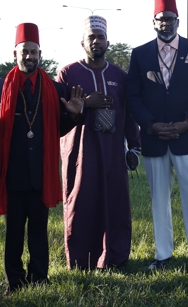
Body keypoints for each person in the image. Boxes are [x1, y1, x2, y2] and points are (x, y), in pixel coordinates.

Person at [0, 23, 84, 295]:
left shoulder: (54, 89)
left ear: (40, 54)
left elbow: (58, 128)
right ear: (15, 53)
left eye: (34, 52)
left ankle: (39, 277)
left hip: (41, 171)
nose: (30, 56)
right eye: (24, 51)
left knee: (38, 230)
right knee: (13, 231)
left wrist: (73, 115)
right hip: (12, 173)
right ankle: (14, 281)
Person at [126, 0, 188, 270]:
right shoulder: (140, 54)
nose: (166, 23)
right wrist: (150, 125)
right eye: (161, 19)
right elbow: (133, 96)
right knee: (159, 199)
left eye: (171, 19)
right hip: (154, 138)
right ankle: (163, 255)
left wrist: (187, 122)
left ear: (178, 20)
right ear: (153, 21)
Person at [56, 15, 140, 270]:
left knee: (115, 203)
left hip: (113, 151)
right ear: (83, 42)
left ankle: (114, 257)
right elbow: (60, 115)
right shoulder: (69, 73)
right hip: (80, 152)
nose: (96, 41)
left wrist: (134, 146)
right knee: (81, 202)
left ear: (107, 42)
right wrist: (84, 106)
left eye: (100, 37)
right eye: (91, 37)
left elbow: (130, 114)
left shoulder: (120, 75)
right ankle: (82, 260)